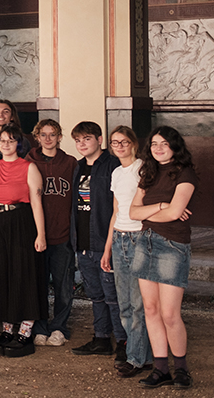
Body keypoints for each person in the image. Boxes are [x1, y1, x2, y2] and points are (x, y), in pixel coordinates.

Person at [128, 126, 197, 389]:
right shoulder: (148, 172)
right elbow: (132, 212)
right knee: (151, 309)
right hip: (145, 243)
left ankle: (181, 369)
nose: (158, 148)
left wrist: (153, 212)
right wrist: (160, 207)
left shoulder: (184, 173)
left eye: (164, 143)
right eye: (154, 143)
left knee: (170, 314)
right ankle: (161, 369)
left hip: (172, 245)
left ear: (174, 146)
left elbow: (174, 213)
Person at [0, 125, 47, 358]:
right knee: (1, 275)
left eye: (11, 141)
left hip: (22, 223)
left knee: (23, 274)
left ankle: (25, 331)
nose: (6, 144)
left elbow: (37, 203)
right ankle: (8, 329)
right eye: (2, 140)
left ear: (19, 144)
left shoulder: (29, 168)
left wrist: (41, 235)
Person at [68, 121, 123, 359]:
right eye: (78, 140)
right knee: (96, 294)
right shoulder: (78, 167)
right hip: (83, 242)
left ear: (99, 140)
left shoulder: (113, 165)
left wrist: (110, 245)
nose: (82, 144)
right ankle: (101, 338)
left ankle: (123, 341)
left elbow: (118, 205)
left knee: (113, 295)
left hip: (104, 239)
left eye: (87, 139)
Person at [102, 126, 154, 378]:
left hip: (139, 237)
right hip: (120, 237)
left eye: (124, 142)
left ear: (133, 143)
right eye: (115, 143)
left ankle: (136, 358)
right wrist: (107, 247)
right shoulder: (117, 172)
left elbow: (151, 203)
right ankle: (143, 354)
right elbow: (116, 210)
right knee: (124, 303)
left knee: (138, 303)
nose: (119, 146)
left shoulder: (143, 169)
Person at [26, 119, 76, 347]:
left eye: (52, 134)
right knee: (38, 285)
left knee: (63, 285)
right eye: (43, 134)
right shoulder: (27, 162)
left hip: (62, 234)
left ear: (59, 137)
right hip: (36, 235)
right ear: (37, 137)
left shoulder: (70, 163)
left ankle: (59, 327)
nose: (48, 139)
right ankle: (40, 327)